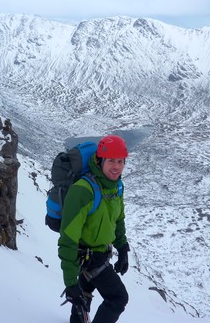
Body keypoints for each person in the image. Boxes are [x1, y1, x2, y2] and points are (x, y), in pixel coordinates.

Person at [59, 135, 130, 323]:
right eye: (111, 161)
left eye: (120, 161)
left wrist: (122, 248)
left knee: (83, 298)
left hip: (100, 252)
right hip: (88, 258)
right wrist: (70, 282)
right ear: (100, 161)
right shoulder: (83, 191)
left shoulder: (116, 186)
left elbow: (118, 219)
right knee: (118, 298)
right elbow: (68, 239)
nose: (117, 167)